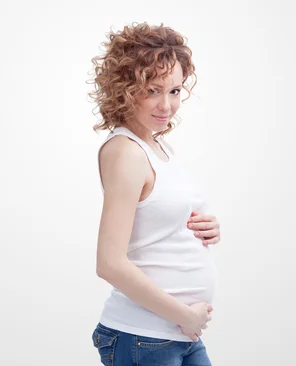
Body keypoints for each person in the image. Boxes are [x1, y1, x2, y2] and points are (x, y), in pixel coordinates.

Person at [88, 22, 220, 365]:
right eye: (152, 90)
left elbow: (157, 224)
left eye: (175, 91)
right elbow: (109, 263)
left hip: (176, 336)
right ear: (125, 89)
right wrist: (184, 315)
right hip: (142, 337)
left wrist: (203, 229)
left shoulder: (158, 146)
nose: (167, 105)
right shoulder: (126, 152)